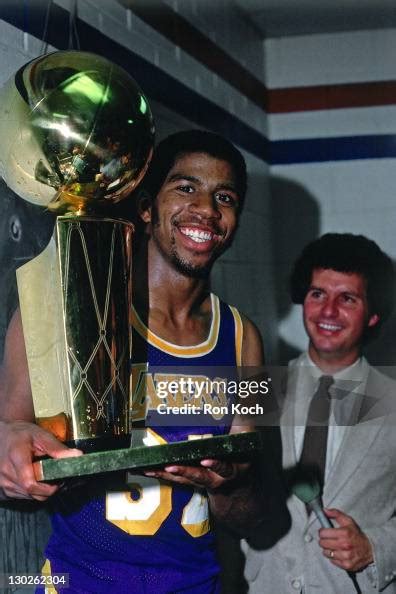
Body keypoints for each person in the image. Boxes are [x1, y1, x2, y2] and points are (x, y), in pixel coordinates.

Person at [0, 130, 281, 593]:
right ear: (147, 207)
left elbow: (252, 515)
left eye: (224, 197)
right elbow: (10, 461)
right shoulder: (62, 315)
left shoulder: (243, 339)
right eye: (186, 188)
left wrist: (227, 482)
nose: (207, 209)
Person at [243, 233, 396, 594]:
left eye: (347, 299)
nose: (328, 312)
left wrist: (376, 546)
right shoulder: (258, 388)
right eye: (317, 294)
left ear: (373, 314)